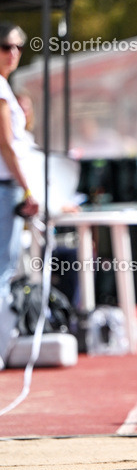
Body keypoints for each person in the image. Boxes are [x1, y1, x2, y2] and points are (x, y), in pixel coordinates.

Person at [0, 24, 39, 368]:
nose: (11, 53)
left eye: (17, 47)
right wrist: (27, 187)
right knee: (2, 269)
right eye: (4, 46)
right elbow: (7, 146)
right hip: (4, 188)